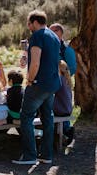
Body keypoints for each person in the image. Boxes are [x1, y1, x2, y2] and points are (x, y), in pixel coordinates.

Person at [12, 10, 61, 165]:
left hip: (39, 84)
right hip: (52, 84)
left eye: (29, 23)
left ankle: (29, 156)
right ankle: (46, 155)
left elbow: (35, 62)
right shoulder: (54, 36)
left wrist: (30, 79)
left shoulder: (37, 36)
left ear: (34, 22)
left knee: (26, 117)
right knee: (48, 118)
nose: (28, 26)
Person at [53, 60, 74, 145]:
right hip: (67, 109)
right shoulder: (67, 79)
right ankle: (67, 131)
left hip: (60, 109)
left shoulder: (59, 80)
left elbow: (51, 91)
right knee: (65, 122)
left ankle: (65, 132)